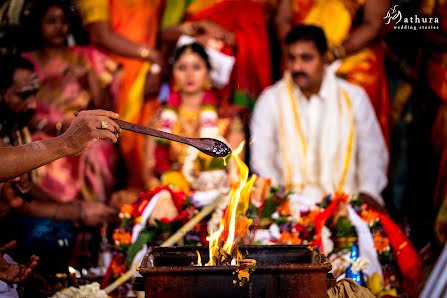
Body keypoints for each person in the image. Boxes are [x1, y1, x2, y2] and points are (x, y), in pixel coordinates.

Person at [250, 25, 421, 295]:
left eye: (306, 58)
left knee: (367, 257)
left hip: (346, 206)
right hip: (289, 211)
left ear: (324, 58)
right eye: (291, 58)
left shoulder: (353, 97)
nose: (297, 66)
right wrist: (283, 205)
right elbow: (262, 163)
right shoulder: (270, 100)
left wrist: (367, 193)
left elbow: (373, 153)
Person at [19, 1, 120, 203]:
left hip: (84, 130)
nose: (59, 27)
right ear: (38, 24)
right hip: (41, 133)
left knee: (99, 149)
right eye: (51, 21)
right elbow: (18, 109)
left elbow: (106, 108)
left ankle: (97, 218)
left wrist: (90, 75)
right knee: (35, 151)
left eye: (64, 21)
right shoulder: (25, 62)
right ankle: (61, 219)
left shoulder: (86, 56)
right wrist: (57, 127)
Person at [275, 0, 391, 146]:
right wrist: (297, 53)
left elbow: (375, 24)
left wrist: (331, 54)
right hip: (299, 61)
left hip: (352, 63)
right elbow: (283, 19)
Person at [78, 0, 164, 188]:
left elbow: (161, 30)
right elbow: (100, 34)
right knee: (121, 138)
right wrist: (152, 55)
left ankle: (150, 202)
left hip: (148, 74)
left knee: (149, 139)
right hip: (112, 75)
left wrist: (157, 67)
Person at [160, 0, 272, 108]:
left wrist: (229, 38)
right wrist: (196, 27)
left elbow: (257, 37)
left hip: (231, 86)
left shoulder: (250, 4)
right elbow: (165, 33)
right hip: (187, 72)